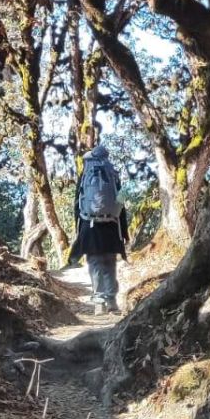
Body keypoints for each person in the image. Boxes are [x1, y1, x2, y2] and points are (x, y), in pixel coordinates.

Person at [67, 128, 129, 316]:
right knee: (110, 264)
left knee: (94, 264)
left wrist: (79, 228)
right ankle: (112, 303)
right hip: (111, 226)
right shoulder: (113, 174)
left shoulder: (85, 175)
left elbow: (77, 204)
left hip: (90, 225)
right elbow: (121, 202)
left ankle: (99, 304)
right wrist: (124, 231)